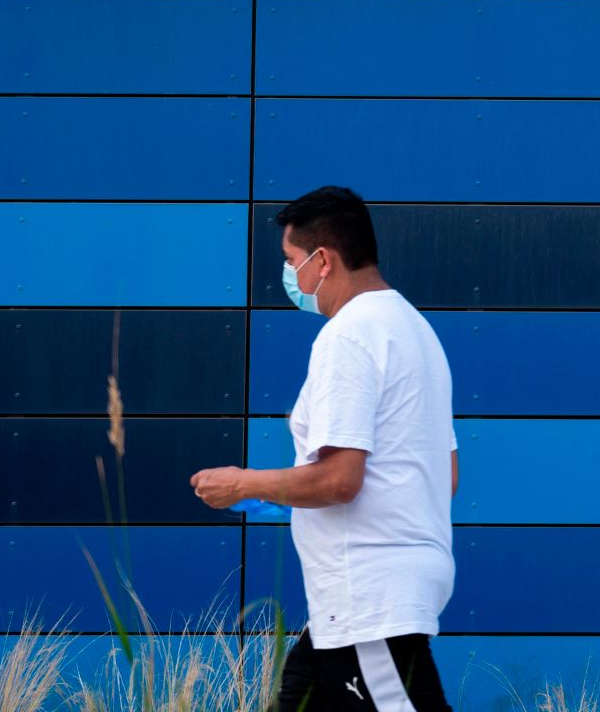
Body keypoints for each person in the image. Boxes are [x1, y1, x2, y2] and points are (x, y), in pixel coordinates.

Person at [192, 187, 458, 712]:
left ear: (323, 260)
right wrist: (284, 497)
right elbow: (441, 474)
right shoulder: (415, 330)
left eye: (291, 261)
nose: (290, 276)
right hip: (355, 604)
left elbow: (340, 480)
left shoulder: (349, 336)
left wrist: (241, 483)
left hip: (368, 599)